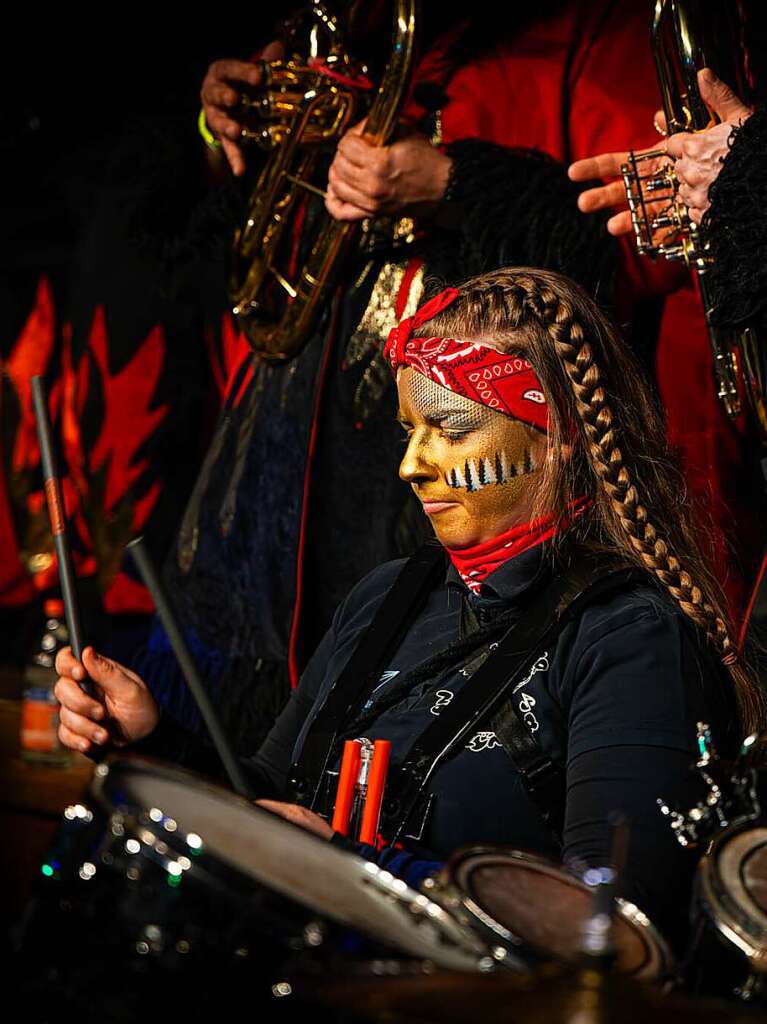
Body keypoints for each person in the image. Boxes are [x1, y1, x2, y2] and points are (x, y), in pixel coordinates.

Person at [53, 266, 761, 951]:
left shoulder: (629, 636)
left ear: (559, 439)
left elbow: (614, 923)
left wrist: (361, 871)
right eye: (408, 430)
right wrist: (157, 742)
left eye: (450, 431)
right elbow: (271, 797)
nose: (411, 464)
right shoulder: (388, 594)